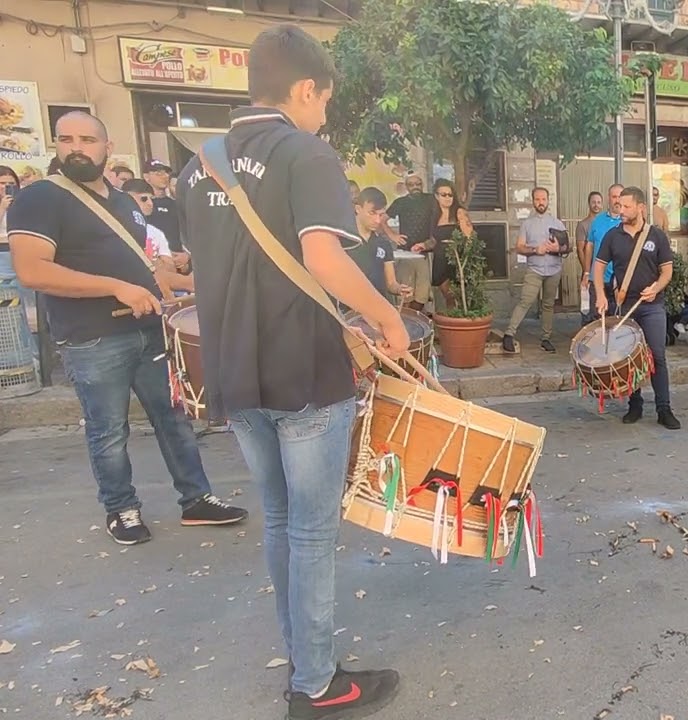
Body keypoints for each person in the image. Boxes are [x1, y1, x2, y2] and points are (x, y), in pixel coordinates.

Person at [174, 24, 402, 718]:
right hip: (303, 372)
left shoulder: (197, 166)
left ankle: (307, 659)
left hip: (234, 372)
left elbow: (203, 264)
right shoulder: (306, 154)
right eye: (324, 100)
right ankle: (316, 683)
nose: (324, 113)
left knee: (280, 521)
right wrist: (387, 320)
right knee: (310, 531)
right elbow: (325, 260)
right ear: (304, 89)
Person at [6, 111, 246, 545]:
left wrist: (186, 286)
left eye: (87, 139)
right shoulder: (41, 198)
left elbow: (146, 268)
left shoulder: (121, 202)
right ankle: (122, 508)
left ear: (106, 146)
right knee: (109, 429)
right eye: (66, 139)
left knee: (174, 420)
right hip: (92, 338)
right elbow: (32, 270)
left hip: (147, 329)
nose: (76, 147)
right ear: (56, 146)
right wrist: (117, 287)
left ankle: (196, 499)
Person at [594, 186, 680, 430]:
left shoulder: (656, 236)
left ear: (641, 208)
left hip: (652, 306)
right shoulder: (613, 236)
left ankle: (664, 409)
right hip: (625, 303)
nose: (621, 210)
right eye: (620, 205)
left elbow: (667, 271)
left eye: (627, 206)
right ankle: (635, 404)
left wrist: (656, 287)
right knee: (629, 357)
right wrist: (601, 295)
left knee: (657, 356)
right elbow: (598, 267)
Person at [504, 186, 565, 353]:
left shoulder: (557, 223)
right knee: (526, 301)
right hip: (535, 269)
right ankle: (509, 334)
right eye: (537, 199)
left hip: (554, 269)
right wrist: (535, 250)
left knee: (548, 304)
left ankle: (546, 337)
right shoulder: (527, 224)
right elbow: (520, 247)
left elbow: (567, 247)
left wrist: (557, 248)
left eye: (543, 199)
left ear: (548, 200)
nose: (541, 202)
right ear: (533, 201)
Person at [411, 178, 473, 312]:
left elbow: (469, 237)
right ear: (436, 196)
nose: (447, 198)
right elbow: (434, 240)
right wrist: (423, 245)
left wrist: (466, 259)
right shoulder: (434, 215)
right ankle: (452, 322)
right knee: (448, 296)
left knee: (459, 295)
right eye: (443, 194)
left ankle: (459, 323)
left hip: (457, 258)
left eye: (450, 195)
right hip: (440, 258)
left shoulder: (459, 213)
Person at [345, 186, 409, 308]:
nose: (377, 220)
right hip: (349, 308)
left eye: (380, 215)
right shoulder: (343, 240)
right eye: (372, 213)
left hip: (377, 308)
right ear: (358, 209)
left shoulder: (383, 244)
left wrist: (399, 289)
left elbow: (391, 283)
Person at [386, 174, 435, 313]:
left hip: (423, 253)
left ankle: (416, 322)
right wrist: (392, 235)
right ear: (406, 187)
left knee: (422, 295)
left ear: (422, 185)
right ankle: (406, 327)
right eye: (411, 184)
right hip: (405, 253)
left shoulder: (430, 200)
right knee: (405, 295)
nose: (415, 187)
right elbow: (382, 219)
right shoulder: (400, 202)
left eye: (418, 184)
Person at [585, 184, 624, 323]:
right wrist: (586, 273)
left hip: (620, 281)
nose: (617, 200)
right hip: (598, 279)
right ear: (609, 199)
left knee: (617, 320)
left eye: (620, 196)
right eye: (614, 197)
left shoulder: (629, 222)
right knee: (597, 319)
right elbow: (589, 246)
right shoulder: (597, 220)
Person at [142, 159, 182, 253]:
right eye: (158, 173)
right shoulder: (144, 205)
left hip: (178, 258)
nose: (165, 176)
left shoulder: (176, 204)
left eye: (166, 173)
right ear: (146, 177)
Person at [576, 190, 604, 322]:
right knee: (587, 305)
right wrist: (586, 269)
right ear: (589, 204)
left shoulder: (605, 223)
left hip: (603, 270)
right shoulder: (583, 225)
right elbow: (581, 249)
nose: (596, 205)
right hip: (589, 270)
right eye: (594, 202)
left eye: (599, 202)